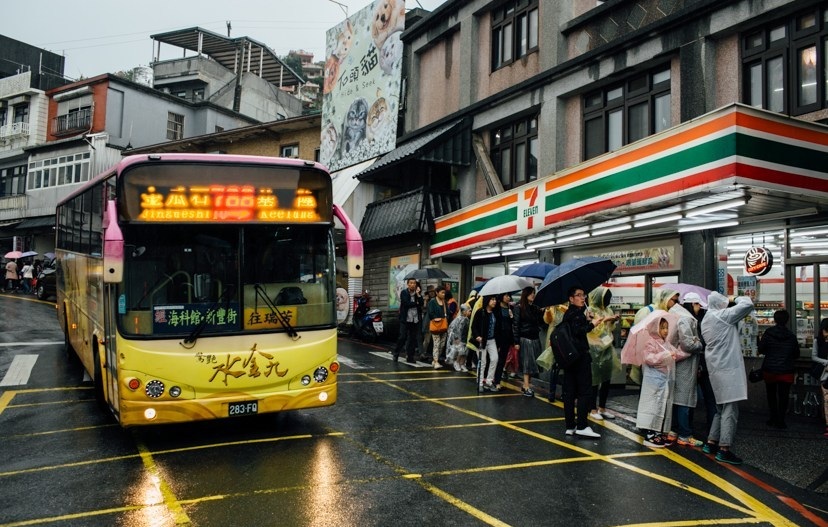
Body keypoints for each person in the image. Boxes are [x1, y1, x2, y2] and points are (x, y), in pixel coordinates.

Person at [700, 292, 754, 465]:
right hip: (728, 369)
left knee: (719, 408)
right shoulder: (722, 316)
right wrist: (734, 298)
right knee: (730, 410)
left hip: (716, 370)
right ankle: (724, 449)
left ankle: (711, 442)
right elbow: (747, 304)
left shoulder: (707, 319)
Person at [559, 286, 606, 438]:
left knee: (569, 392)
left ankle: (570, 426)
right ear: (571, 299)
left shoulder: (569, 314)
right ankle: (582, 426)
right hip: (580, 358)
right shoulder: (577, 313)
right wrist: (593, 323)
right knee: (585, 391)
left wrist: (587, 319)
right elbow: (579, 331)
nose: (582, 297)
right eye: (578, 295)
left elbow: (575, 329)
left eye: (583, 295)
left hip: (569, 358)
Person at [636, 316, 685, 447]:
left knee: (661, 406)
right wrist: (666, 355)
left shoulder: (665, 343)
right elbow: (649, 358)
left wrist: (684, 352)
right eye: (662, 327)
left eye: (667, 327)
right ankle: (650, 434)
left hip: (663, 381)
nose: (665, 331)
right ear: (655, 328)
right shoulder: (651, 342)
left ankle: (657, 432)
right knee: (652, 405)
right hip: (653, 382)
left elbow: (676, 353)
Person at [670, 292, 705, 447]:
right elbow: (688, 344)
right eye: (698, 305)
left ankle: (673, 431)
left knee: (677, 399)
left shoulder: (676, 314)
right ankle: (684, 434)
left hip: (677, 363)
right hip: (685, 365)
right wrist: (700, 344)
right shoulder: (686, 318)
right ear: (692, 304)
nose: (699, 308)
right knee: (684, 400)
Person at [757, 309, 800, 429]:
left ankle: (773, 418)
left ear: (775, 320)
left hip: (770, 369)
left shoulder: (768, 333)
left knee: (771, 395)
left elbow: (761, 349)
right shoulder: (791, 336)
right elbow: (796, 353)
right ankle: (781, 420)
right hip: (786, 370)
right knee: (783, 396)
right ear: (787, 320)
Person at [586, 286, 619, 420]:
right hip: (594, 349)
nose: (608, 300)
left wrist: (613, 321)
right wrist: (605, 320)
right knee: (594, 379)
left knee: (606, 379)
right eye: (606, 298)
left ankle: (602, 408)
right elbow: (591, 330)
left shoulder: (608, 310)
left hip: (607, 347)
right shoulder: (590, 310)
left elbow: (610, 329)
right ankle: (592, 409)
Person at [512, 286, 548, 397]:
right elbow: (516, 325)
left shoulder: (535, 308)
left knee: (533, 365)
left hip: (535, 337)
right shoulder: (519, 307)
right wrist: (516, 341)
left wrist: (543, 312)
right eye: (531, 293)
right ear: (525, 294)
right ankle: (526, 385)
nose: (533, 295)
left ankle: (527, 384)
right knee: (527, 364)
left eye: (534, 293)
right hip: (525, 338)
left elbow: (541, 322)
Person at [470, 295, 500, 392]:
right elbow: (473, 326)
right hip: (482, 340)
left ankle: (489, 381)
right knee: (482, 362)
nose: (494, 301)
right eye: (492, 299)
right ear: (487, 300)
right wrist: (477, 336)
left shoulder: (495, 313)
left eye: (495, 299)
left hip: (492, 340)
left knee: (495, 358)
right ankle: (480, 383)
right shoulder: (480, 312)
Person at [394, 279, 424, 363]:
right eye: (411, 283)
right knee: (402, 337)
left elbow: (421, 303)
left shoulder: (417, 294)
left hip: (415, 319)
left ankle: (410, 357)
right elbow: (406, 303)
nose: (413, 285)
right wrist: (416, 303)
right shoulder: (404, 292)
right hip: (405, 319)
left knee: (412, 339)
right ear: (408, 284)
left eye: (414, 283)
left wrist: (418, 294)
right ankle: (396, 353)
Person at [490, 292, 515, 391]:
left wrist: (512, 317)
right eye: (506, 295)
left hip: (507, 338)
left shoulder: (510, 308)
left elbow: (513, 323)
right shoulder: (496, 308)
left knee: (502, 360)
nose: (508, 297)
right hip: (496, 338)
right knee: (494, 360)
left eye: (509, 296)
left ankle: (497, 381)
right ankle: (491, 380)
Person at [812, 319, 828, 438]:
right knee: (826, 400)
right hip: (825, 374)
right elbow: (814, 356)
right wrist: (826, 362)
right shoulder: (818, 341)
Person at [426, 288, 449, 369]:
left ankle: (436, 359)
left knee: (442, 344)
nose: (443, 294)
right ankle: (436, 361)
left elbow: (448, 313)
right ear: (437, 293)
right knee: (436, 344)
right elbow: (430, 313)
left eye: (444, 293)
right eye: (442, 292)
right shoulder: (432, 302)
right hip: (435, 325)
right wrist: (435, 318)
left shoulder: (445, 302)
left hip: (443, 326)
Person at [446, 303, 471, 372]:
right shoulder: (459, 319)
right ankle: (457, 362)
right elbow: (454, 328)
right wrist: (456, 338)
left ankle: (462, 363)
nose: (470, 312)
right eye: (468, 310)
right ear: (463, 311)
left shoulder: (467, 319)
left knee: (465, 352)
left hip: (466, 338)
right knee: (460, 352)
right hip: (460, 339)